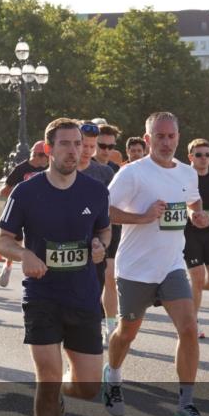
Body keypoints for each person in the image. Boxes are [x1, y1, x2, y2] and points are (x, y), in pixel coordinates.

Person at [0, 118, 110, 416]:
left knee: (90, 387)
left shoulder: (95, 191)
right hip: (42, 295)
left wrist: (100, 245)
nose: (73, 150)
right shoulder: (27, 193)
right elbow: (1, 240)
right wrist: (24, 253)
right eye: (65, 144)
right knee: (47, 374)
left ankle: (59, 392)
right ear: (49, 150)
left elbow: (104, 228)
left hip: (84, 295)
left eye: (78, 144)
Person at [103, 112, 209, 416]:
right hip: (136, 268)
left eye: (171, 136)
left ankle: (185, 405)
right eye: (160, 137)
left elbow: (193, 203)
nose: (166, 142)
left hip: (171, 265)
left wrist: (198, 216)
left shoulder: (187, 173)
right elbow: (104, 210)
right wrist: (143, 217)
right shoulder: (132, 174)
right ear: (148, 139)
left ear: (179, 138)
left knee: (189, 328)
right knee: (127, 332)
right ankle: (112, 376)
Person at [79, 122, 118, 343]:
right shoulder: (64, 169)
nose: (87, 151)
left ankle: (103, 327)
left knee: (99, 285)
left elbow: (112, 208)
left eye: (91, 146)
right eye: (83, 145)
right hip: (70, 243)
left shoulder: (104, 172)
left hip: (98, 241)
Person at [184, 139, 209, 339]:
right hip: (189, 232)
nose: (204, 159)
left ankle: (186, 289)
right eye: (199, 155)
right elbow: (176, 200)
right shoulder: (184, 176)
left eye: (207, 155)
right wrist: (191, 214)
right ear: (190, 157)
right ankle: (192, 323)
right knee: (198, 278)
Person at [0, 141, 50, 287]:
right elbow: (4, 190)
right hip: (22, 212)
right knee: (16, 241)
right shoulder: (21, 169)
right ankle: (8, 265)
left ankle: (38, 270)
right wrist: (18, 199)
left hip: (42, 211)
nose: (46, 160)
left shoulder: (49, 169)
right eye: (45, 156)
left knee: (37, 241)